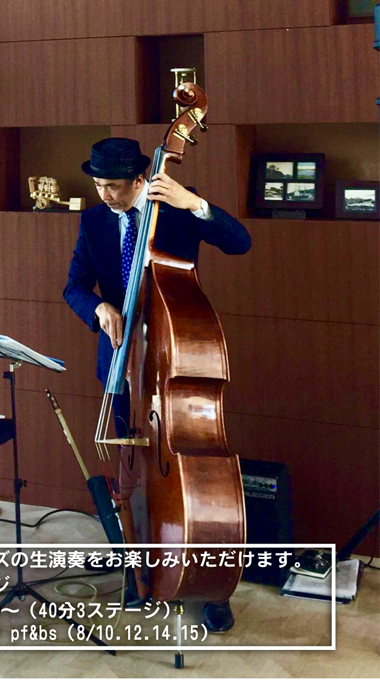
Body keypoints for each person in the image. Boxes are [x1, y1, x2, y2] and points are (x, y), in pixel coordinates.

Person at [63, 137, 252, 632]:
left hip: (173, 359)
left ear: (140, 179)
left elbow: (240, 242)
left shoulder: (177, 207)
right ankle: (136, 561)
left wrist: (195, 204)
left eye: (115, 186)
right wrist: (99, 308)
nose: (106, 195)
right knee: (131, 470)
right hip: (123, 362)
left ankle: (207, 576)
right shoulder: (94, 220)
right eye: (98, 185)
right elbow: (74, 286)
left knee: (191, 475)